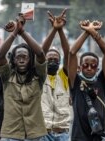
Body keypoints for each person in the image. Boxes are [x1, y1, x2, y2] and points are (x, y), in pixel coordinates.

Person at [0, 14, 47, 141]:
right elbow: (1, 56)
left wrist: (22, 31)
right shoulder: (7, 76)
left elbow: (40, 53)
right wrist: (14, 32)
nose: (21, 60)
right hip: (10, 135)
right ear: (13, 60)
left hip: (35, 135)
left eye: (25, 57)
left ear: (30, 60)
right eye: (18, 57)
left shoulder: (38, 76)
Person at [68, 20, 105, 141]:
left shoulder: (102, 81)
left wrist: (93, 33)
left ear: (97, 68)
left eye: (93, 66)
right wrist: (86, 32)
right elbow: (72, 53)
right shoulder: (75, 81)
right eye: (85, 65)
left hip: (99, 136)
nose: (89, 68)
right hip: (79, 136)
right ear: (79, 67)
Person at [40, 9, 71, 141]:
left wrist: (60, 30)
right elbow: (42, 52)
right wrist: (54, 30)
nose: (52, 61)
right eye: (49, 59)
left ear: (60, 62)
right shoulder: (39, 76)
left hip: (62, 133)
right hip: (43, 132)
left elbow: (68, 52)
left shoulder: (63, 76)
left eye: (55, 59)